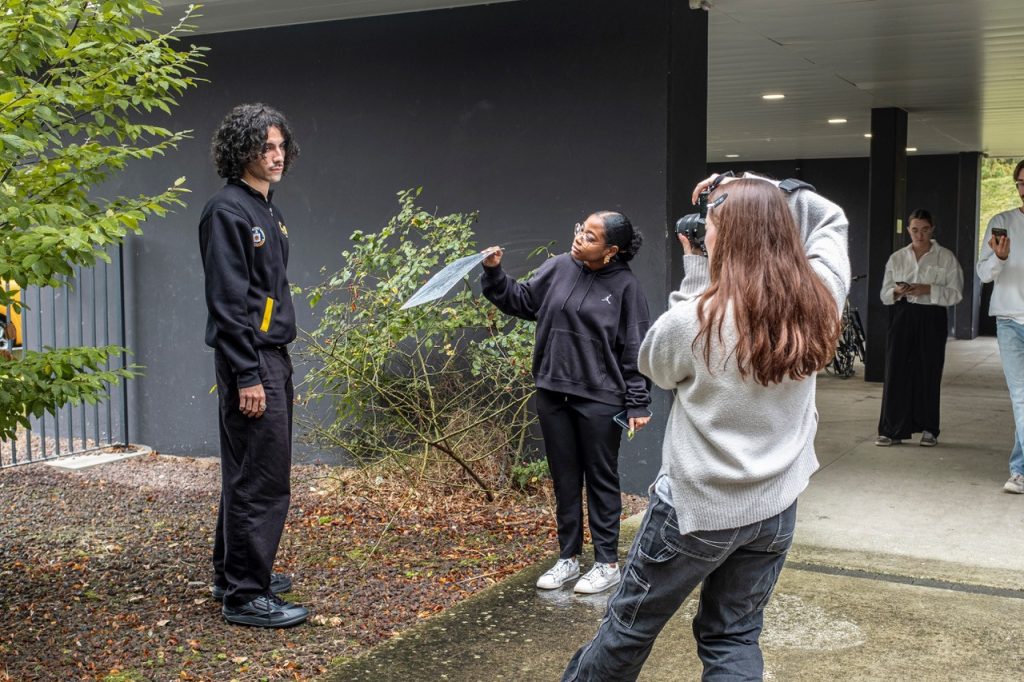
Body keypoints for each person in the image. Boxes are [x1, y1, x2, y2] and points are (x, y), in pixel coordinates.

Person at [562, 175, 849, 681]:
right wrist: (754, 186)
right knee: (733, 637)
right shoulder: (822, 296)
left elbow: (656, 367)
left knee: (628, 631)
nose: (705, 232)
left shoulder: (692, 320)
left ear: (727, 238)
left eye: (712, 223)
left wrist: (697, 267)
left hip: (695, 513)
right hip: (775, 508)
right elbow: (829, 217)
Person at [481, 212, 652, 594]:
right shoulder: (559, 267)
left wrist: (638, 403)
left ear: (611, 250)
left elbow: (635, 349)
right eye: (580, 230)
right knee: (565, 478)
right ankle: (568, 558)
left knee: (601, 480)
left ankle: (607, 563)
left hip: (600, 398)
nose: (579, 239)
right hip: (552, 391)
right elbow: (523, 301)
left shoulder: (626, 287)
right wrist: (495, 273)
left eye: (590, 237)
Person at [198, 103, 309, 627]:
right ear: (241, 151)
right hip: (251, 358)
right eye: (265, 146)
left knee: (249, 471)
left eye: (281, 145)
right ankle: (245, 595)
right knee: (262, 478)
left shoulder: (268, 209)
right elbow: (227, 299)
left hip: (270, 355)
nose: (276, 155)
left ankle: (232, 571)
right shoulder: (228, 211)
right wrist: (247, 372)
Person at [875, 209, 964, 447]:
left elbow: (956, 294)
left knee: (929, 370)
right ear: (908, 230)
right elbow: (884, 294)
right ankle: (890, 429)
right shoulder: (897, 258)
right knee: (895, 370)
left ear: (932, 229)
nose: (920, 234)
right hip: (902, 313)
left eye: (924, 229)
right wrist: (897, 291)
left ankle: (929, 429)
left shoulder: (945, 257)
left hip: (932, 316)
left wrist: (929, 290)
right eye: (915, 230)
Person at [978, 159, 1024, 494]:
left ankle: (1019, 471)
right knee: (1021, 398)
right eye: (1022, 182)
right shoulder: (1001, 222)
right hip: (1009, 321)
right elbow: (983, 274)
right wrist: (1000, 258)